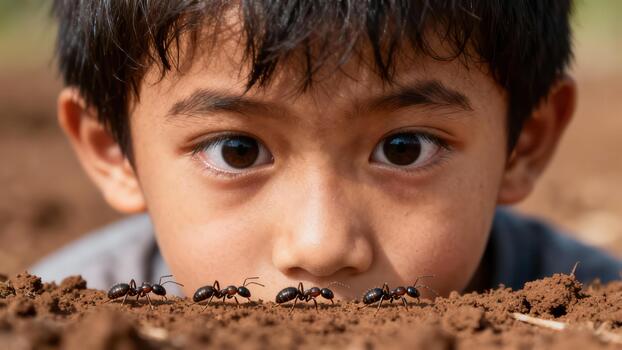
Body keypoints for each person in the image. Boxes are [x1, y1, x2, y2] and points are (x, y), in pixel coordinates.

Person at [32, 0, 622, 299]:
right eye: (237, 151)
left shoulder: (597, 307)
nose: (321, 247)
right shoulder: (52, 317)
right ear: (114, 150)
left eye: (405, 148)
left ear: (524, 143)